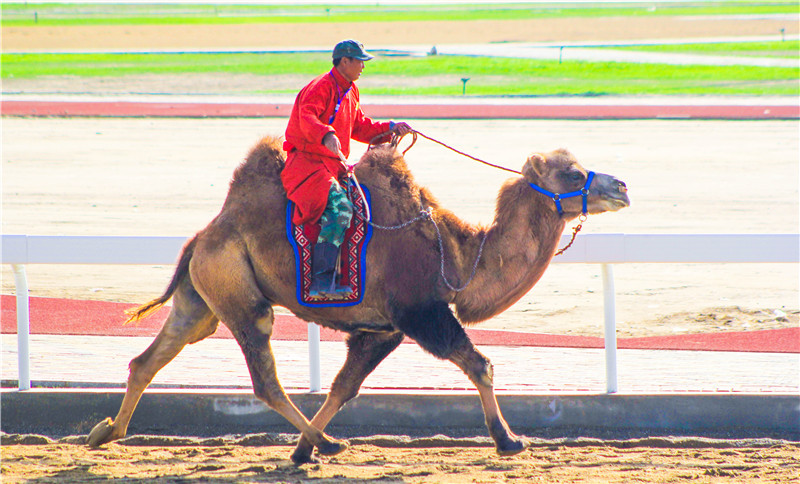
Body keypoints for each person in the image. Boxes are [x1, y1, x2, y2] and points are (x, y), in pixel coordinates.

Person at [281, 39, 412, 298]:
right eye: (359, 61)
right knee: (341, 209)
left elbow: (360, 127)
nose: (363, 66)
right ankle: (321, 282)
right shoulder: (321, 87)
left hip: (333, 166)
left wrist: (390, 128)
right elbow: (307, 117)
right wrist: (326, 134)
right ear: (344, 61)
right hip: (308, 166)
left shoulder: (351, 91)